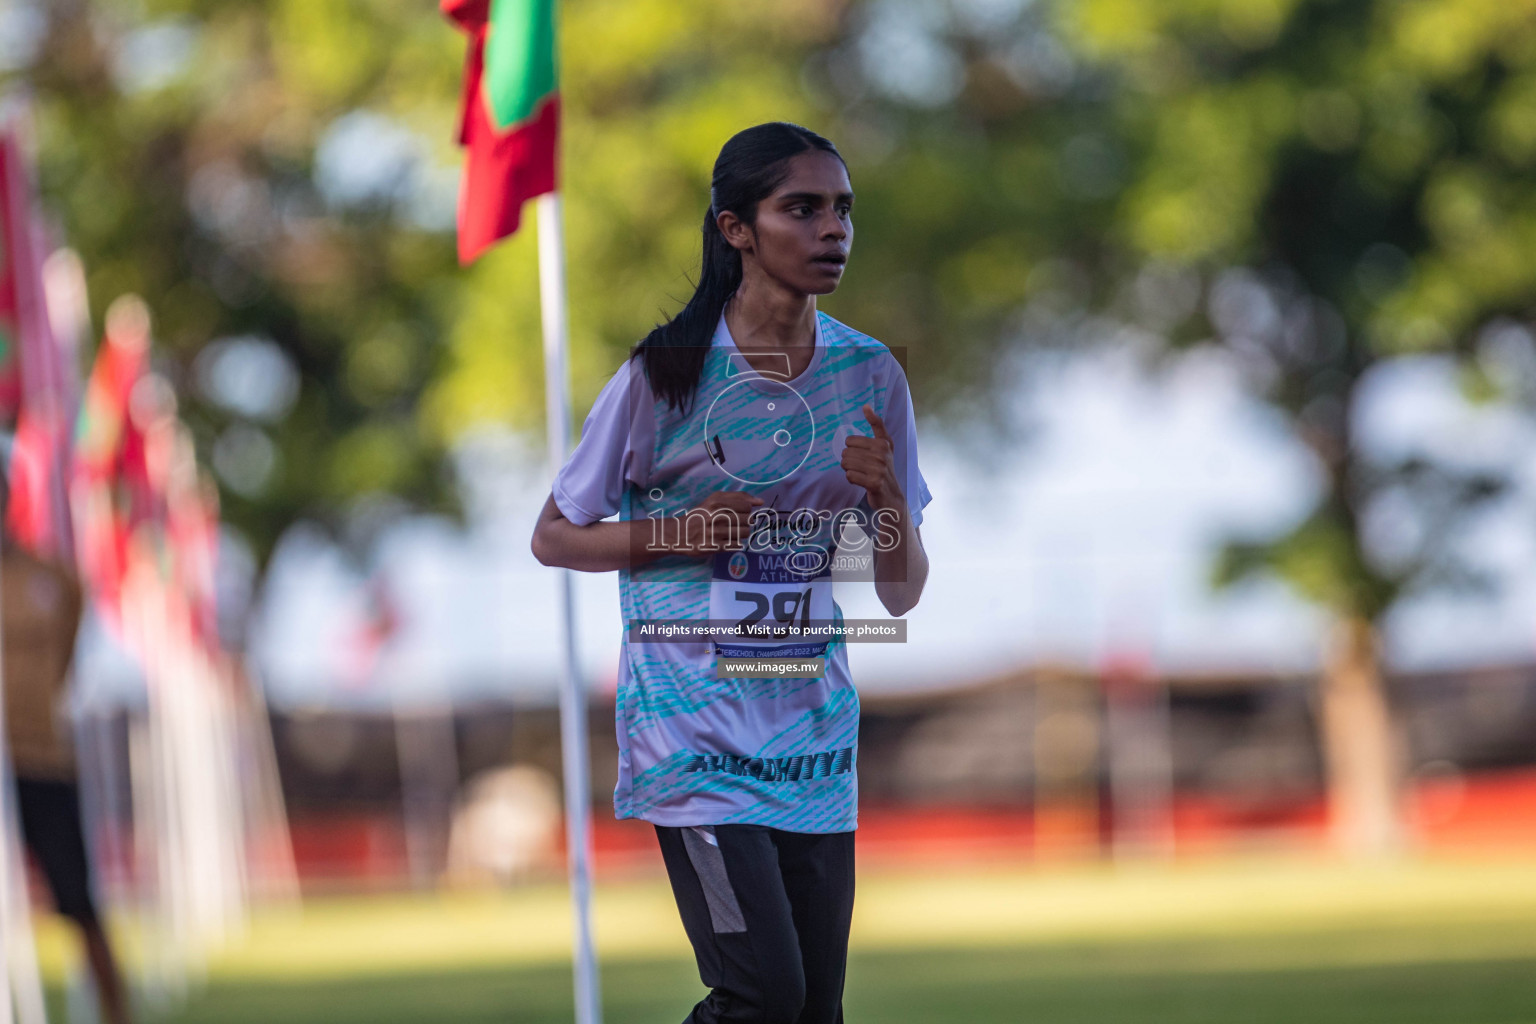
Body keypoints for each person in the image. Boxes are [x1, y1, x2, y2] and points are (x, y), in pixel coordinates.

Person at [532, 122, 931, 1024]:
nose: (833, 230)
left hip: (812, 732)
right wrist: (679, 532)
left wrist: (889, 499)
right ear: (735, 229)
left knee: (813, 1013)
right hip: (694, 732)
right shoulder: (665, 376)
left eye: (842, 210)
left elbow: (901, 588)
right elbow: (556, 536)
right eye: (803, 209)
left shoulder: (869, 376)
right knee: (762, 996)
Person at [1, 509, 133, 1023]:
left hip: (41, 760)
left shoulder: (51, 577)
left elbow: (68, 650)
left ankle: (115, 1012)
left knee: (78, 898)